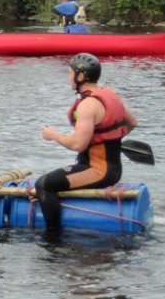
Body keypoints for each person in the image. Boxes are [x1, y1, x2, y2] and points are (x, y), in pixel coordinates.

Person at [36, 53, 138, 231]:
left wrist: (53, 135)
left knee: (44, 184)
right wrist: (111, 138)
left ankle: (53, 237)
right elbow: (132, 123)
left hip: (98, 172)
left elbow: (78, 145)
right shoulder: (109, 95)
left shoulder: (87, 105)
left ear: (81, 76)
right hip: (114, 170)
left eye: (70, 73)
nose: (69, 77)